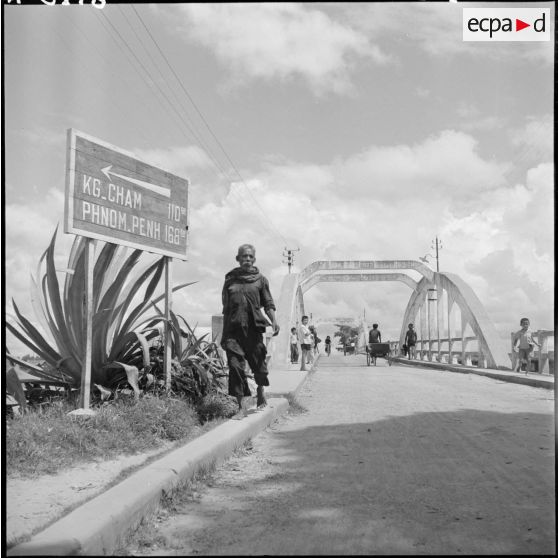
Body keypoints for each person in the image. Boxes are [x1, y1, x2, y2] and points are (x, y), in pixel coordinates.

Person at [221, 244, 280, 417]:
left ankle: (261, 390)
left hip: (254, 329)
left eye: (250, 257)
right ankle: (242, 407)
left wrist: (273, 320)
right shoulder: (230, 280)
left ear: (254, 259)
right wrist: (224, 334)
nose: (247, 259)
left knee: (259, 366)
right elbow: (225, 307)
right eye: (244, 256)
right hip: (233, 329)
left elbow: (268, 303)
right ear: (237, 259)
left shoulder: (261, 280)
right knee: (235, 367)